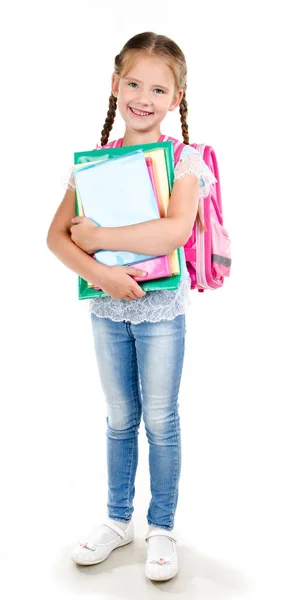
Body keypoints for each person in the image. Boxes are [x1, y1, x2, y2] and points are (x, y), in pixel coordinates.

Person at [47, 31, 216, 582]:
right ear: (115, 84)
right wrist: (102, 275)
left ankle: (161, 526)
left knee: (161, 420)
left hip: (161, 310)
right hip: (107, 310)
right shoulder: (94, 164)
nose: (144, 97)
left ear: (177, 97)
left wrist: (98, 236)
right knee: (120, 419)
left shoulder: (184, 161)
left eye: (159, 89)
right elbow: (56, 237)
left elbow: (173, 230)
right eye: (134, 83)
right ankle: (118, 519)